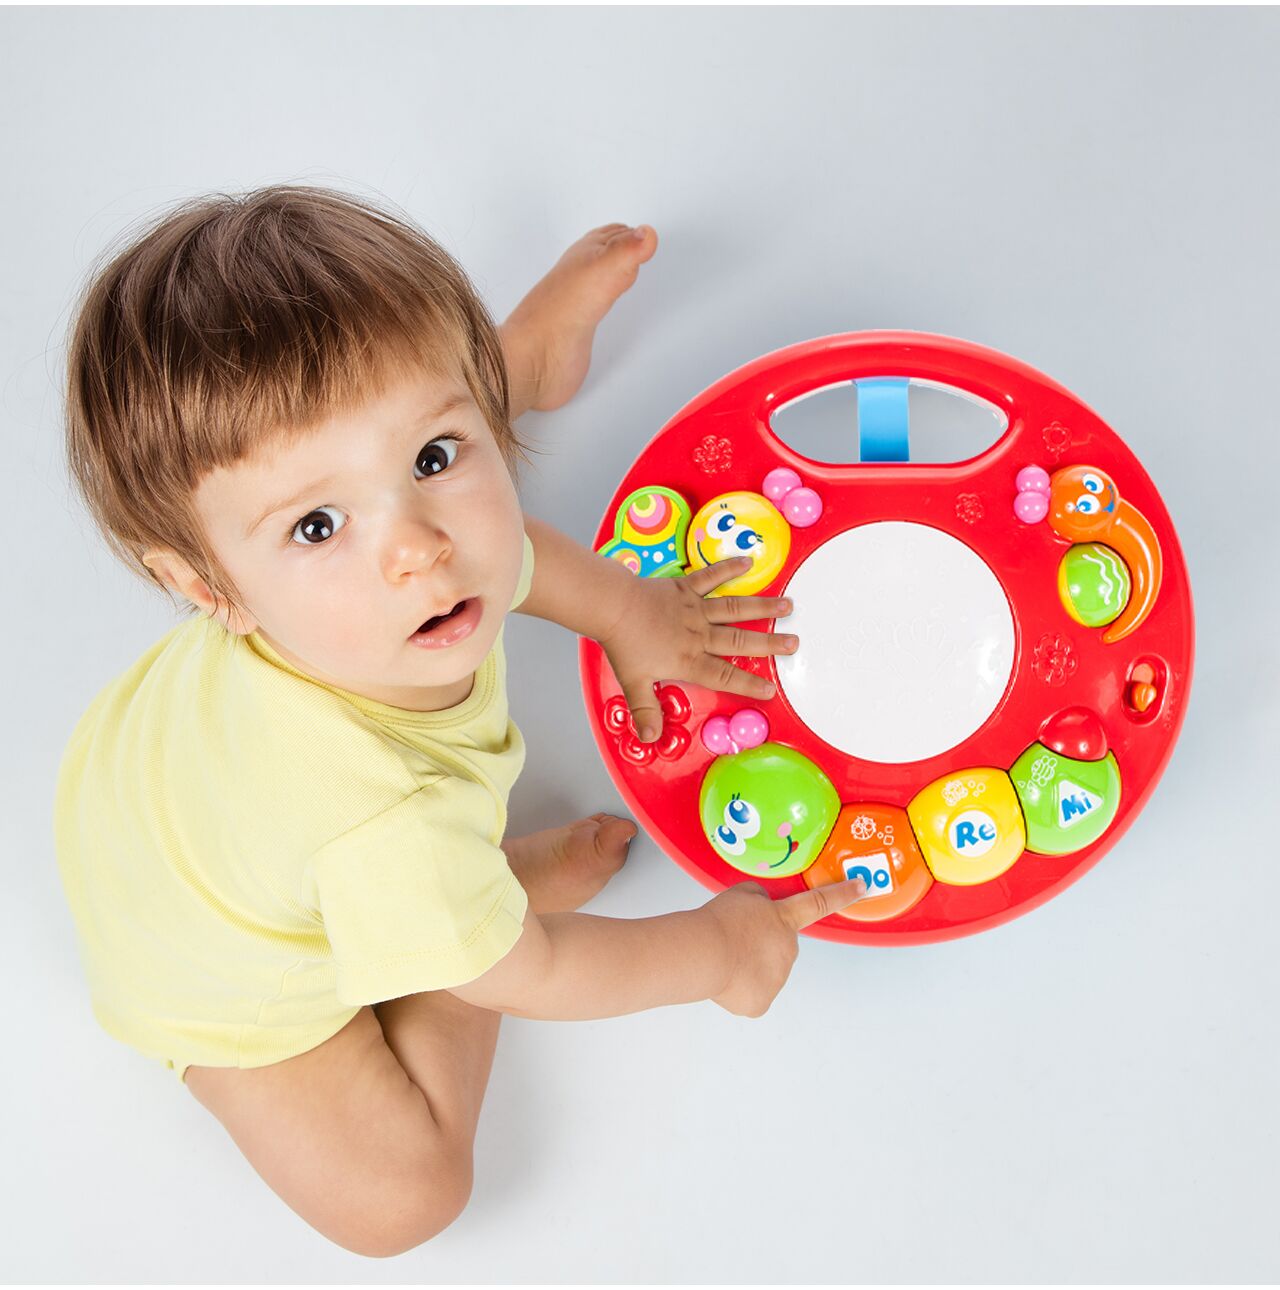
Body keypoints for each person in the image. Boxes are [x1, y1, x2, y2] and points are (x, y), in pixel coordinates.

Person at [52, 185, 866, 1258]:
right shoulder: (382, 821)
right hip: (210, 967)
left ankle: (511, 362)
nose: (415, 548)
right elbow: (537, 976)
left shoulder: (394, 585)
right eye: (316, 525)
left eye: (437, 454)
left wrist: (636, 614)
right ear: (209, 590)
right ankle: (466, 917)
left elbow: (506, 551)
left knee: (398, 441)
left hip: (144, 781)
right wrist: (717, 950)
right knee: (404, 1200)